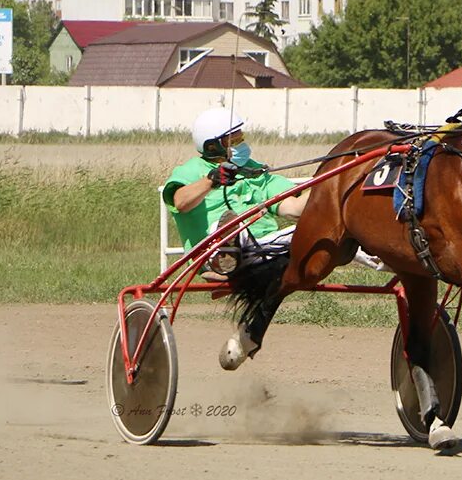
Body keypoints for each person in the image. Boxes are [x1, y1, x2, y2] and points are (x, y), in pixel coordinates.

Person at [163, 107, 384, 371]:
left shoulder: (254, 171)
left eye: (240, 137)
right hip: (213, 246)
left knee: (324, 230)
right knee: (232, 226)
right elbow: (181, 201)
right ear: (212, 145)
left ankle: (377, 254)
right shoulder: (190, 170)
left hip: (266, 246)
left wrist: (335, 185)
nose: (241, 143)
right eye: (233, 140)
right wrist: (211, 181)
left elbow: (293, 207)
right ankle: (228, 258)